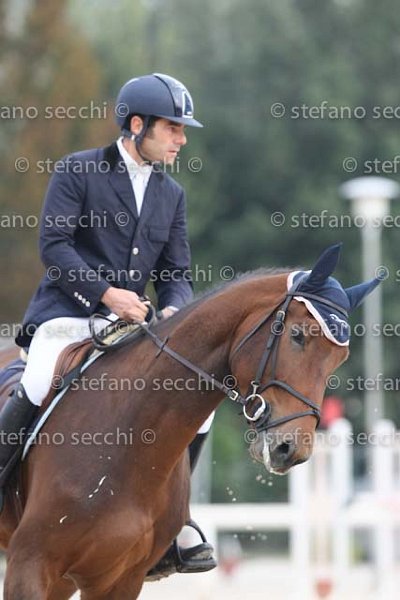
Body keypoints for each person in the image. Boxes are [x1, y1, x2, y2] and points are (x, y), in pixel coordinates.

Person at [1, 73, 216, 577]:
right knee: (39, 376)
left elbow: (176, 273)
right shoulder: (78, 171)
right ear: (137, 125)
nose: (181, 139)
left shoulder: (171, 194)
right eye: (173, 128)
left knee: (199, 404)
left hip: (134, 325)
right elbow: (54, 247)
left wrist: (175, 309)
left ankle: (174, 522)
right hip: (67, 315)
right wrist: (106, 294)